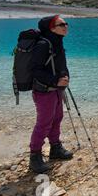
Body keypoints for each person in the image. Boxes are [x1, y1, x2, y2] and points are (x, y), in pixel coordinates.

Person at [29, 15, 74, 173]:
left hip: (55, 90)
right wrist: (56, 80)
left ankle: (55, 148)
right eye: (62, 24)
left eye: (66, 23)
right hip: (44, 91)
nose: (66, 26)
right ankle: (34, 157)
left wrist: (66, 77)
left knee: (57, 118)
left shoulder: (57, 42)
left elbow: (61, 65)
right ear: (52, 28)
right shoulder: (43, 45)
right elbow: (35, 71)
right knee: (44, 123)